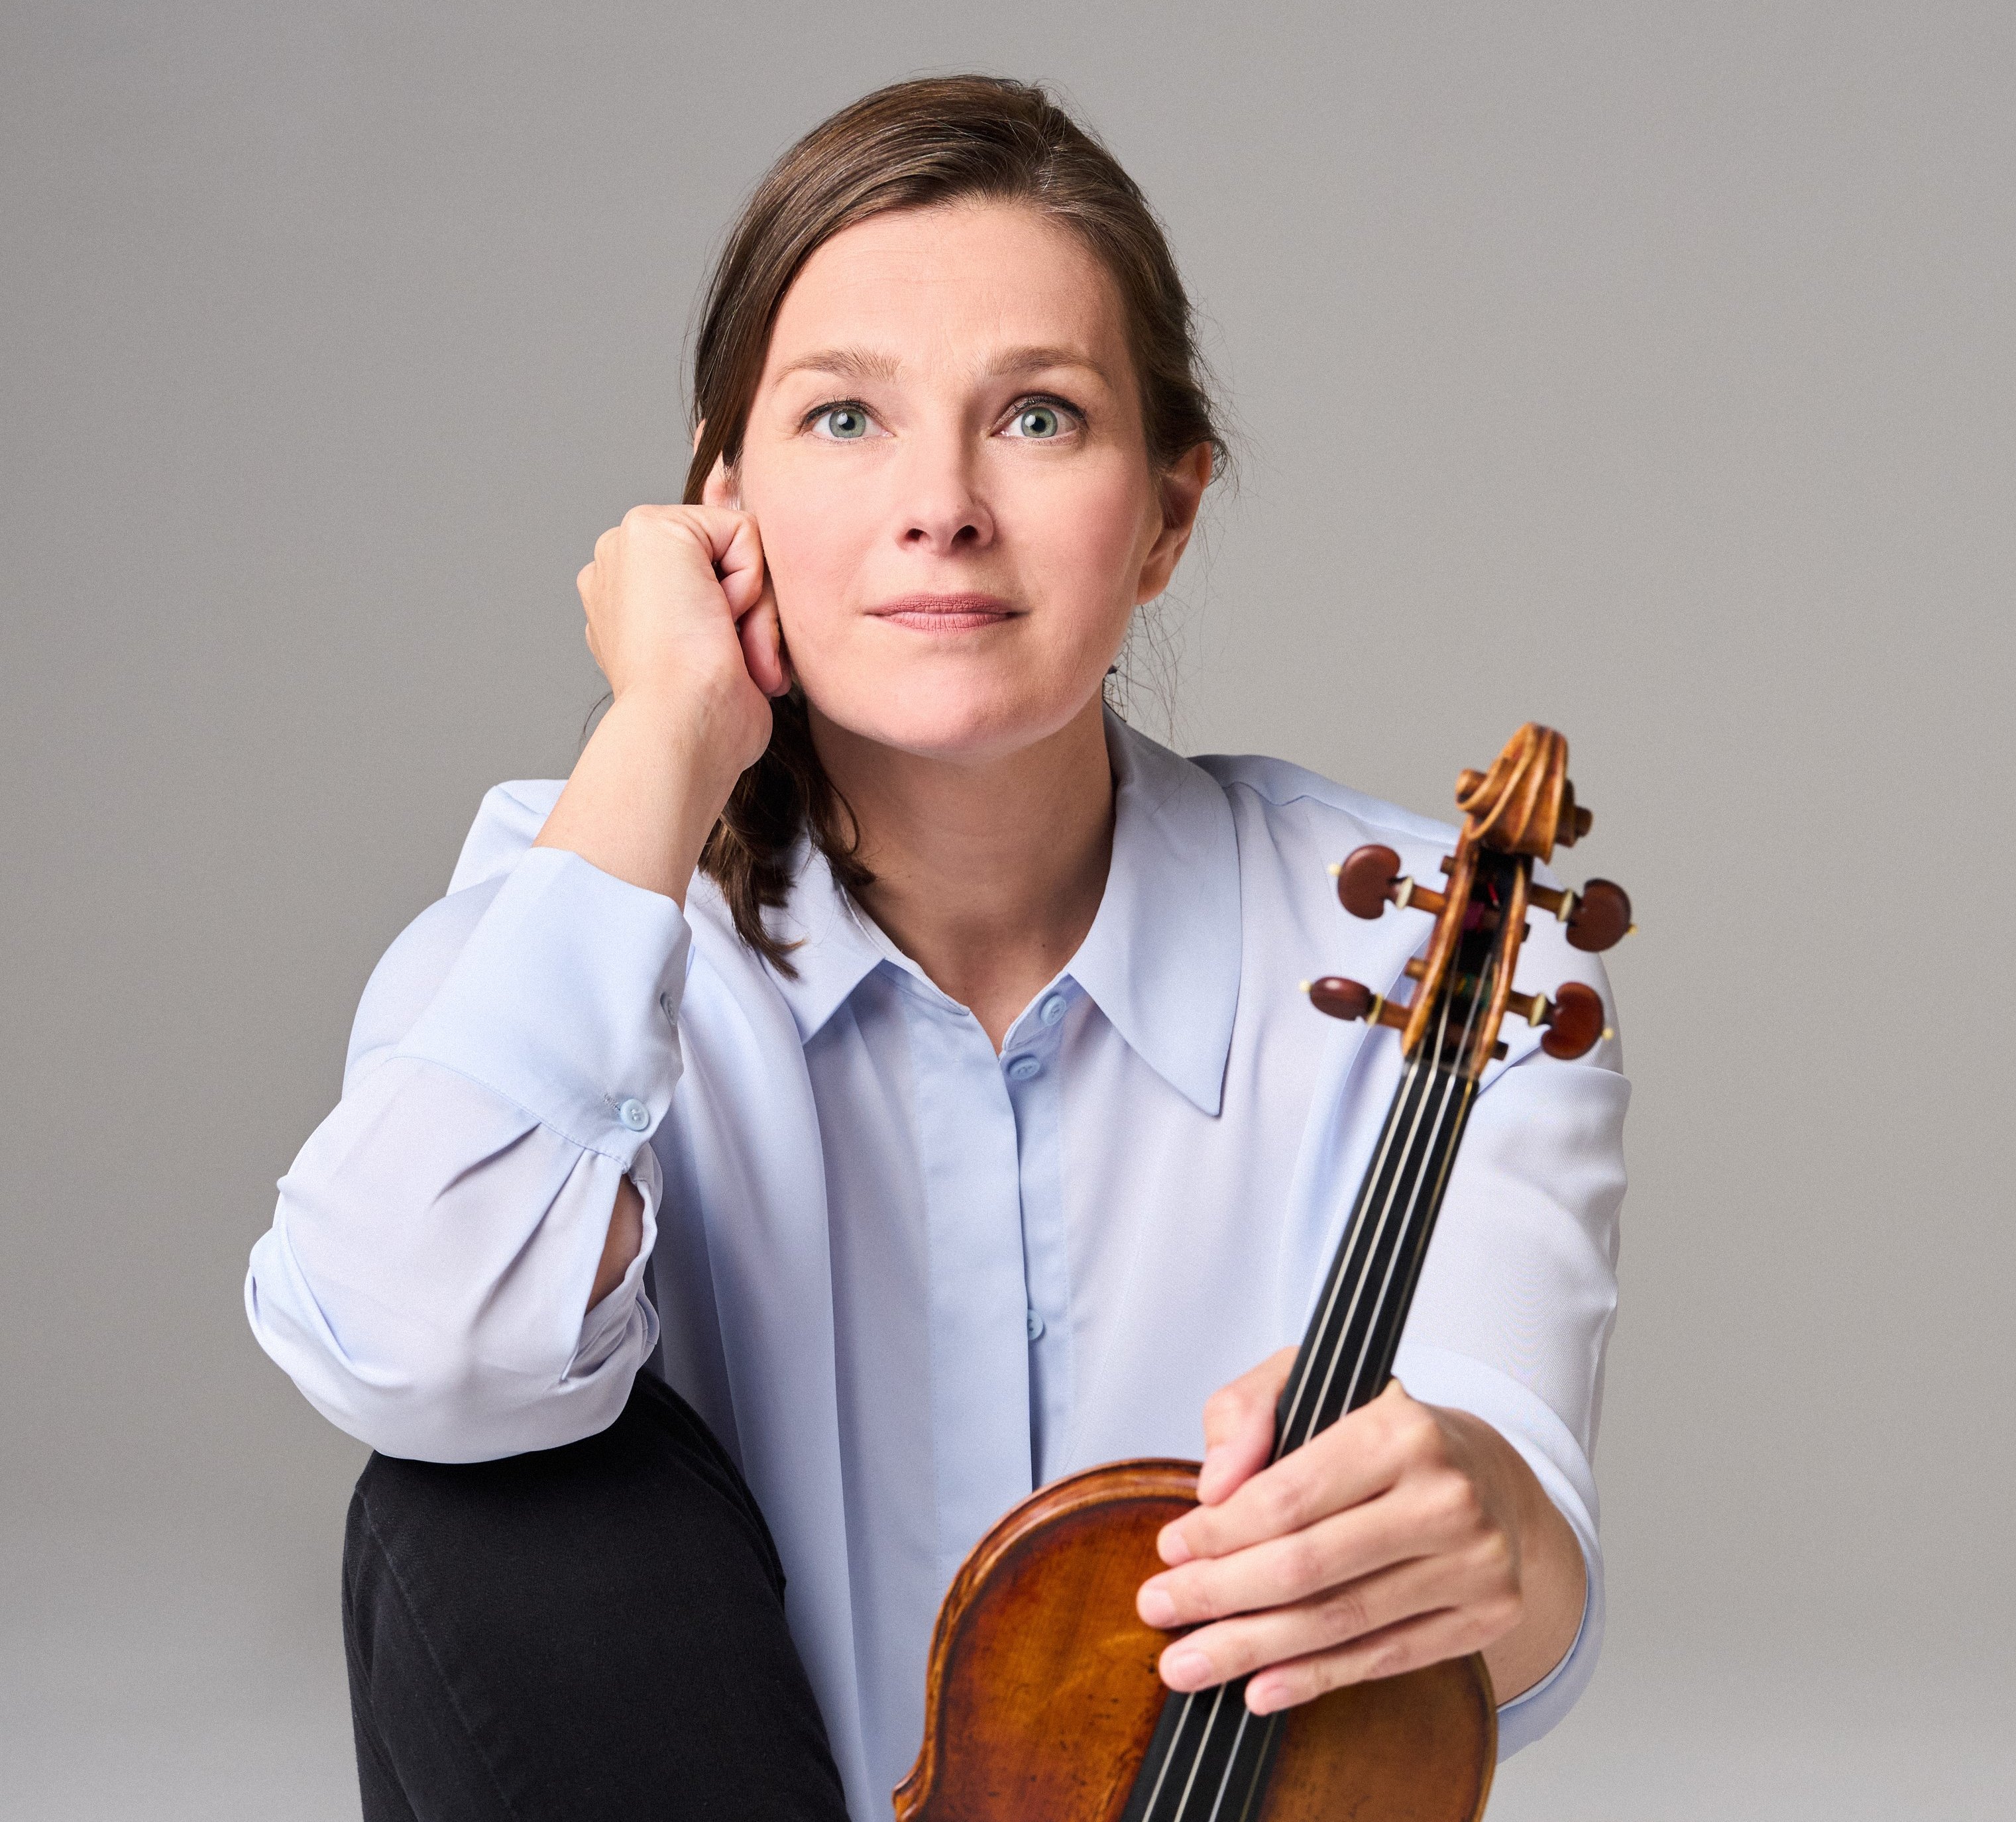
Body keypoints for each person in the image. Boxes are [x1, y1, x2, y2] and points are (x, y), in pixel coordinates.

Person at [246, 74, 1629, 1822]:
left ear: (1169, 514)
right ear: (723, 505)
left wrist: (1474, 1524)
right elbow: (412, 1348)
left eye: (1039, 417)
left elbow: (1520, 1552)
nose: (943, 507)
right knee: (493, 1498)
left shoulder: (1461, 957)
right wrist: (664, 730)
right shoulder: (574, 900)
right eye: (845, 419)